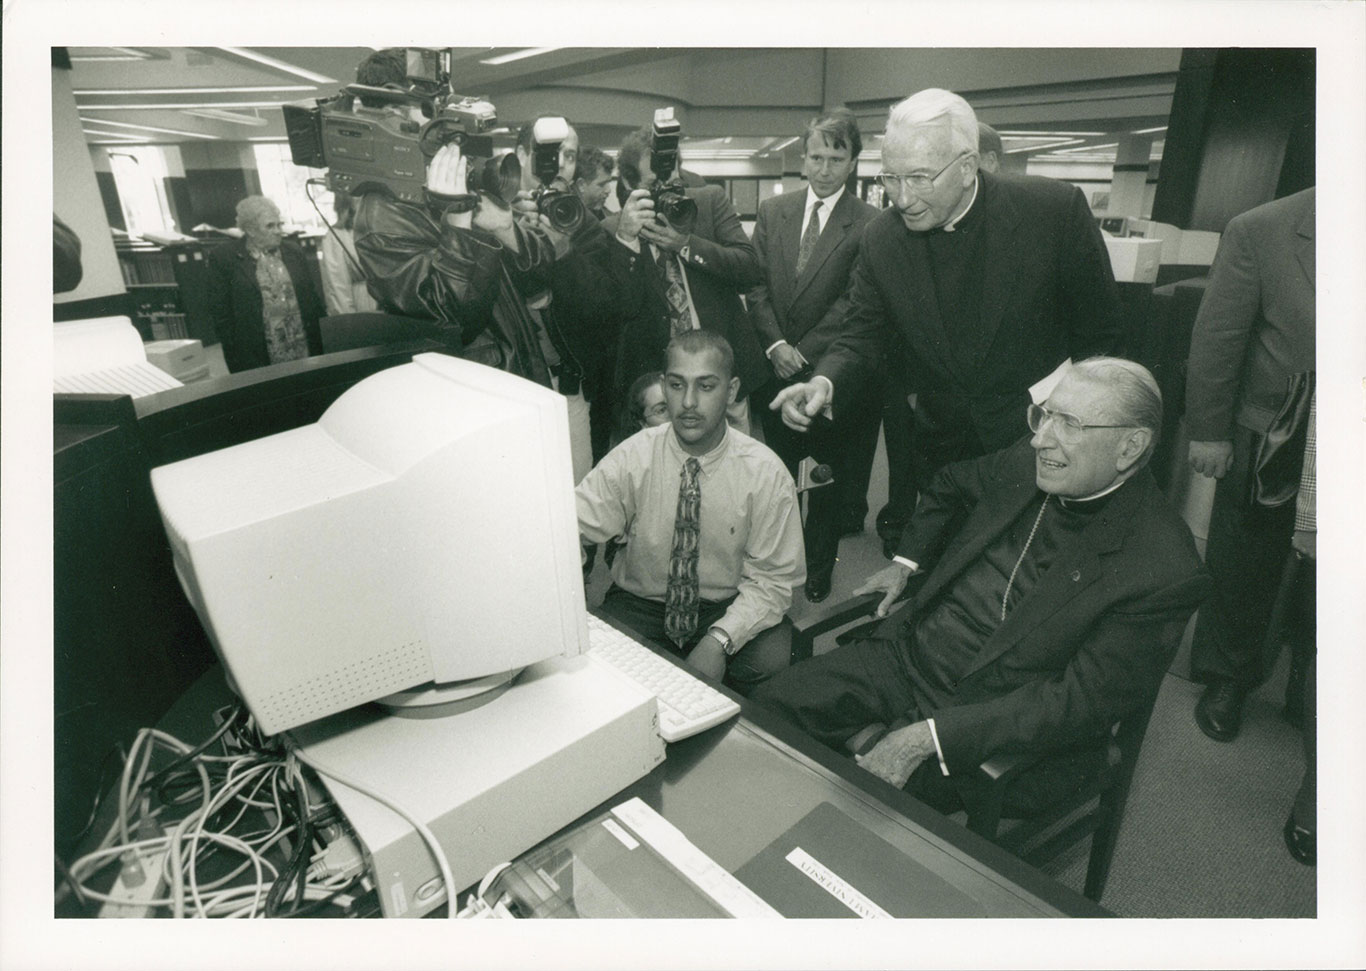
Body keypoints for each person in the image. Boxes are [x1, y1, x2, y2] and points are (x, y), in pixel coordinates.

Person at [754, 359, 1209, 816]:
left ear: (1131, 446)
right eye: (1045, 414)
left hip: (995, 714)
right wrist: (905, 562)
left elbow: (1076, 703)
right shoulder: (1027, 458)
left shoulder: (1162, 567)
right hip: (910, 654)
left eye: (1068, 424)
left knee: (864, 813)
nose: (1040, 438)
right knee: (770, 709)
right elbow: (950, 483)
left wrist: (928, 736)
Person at [772, 88, 1121, 551]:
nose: (901, 197)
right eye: (890, 179)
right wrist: (825, 383)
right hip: (942, 445)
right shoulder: (881, 240)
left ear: (967, 166)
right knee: (947, 566)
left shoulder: (1052, 212)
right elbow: (860, 334)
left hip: (1037, 438)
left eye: (918, 178)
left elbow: (1103, 339)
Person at [576, 331, 805, 695]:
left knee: (769, 662)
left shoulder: (765, 472)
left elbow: (773, 582)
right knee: (600, 673)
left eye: (706, 386)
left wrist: (720, 640)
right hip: (642, 604)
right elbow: (573, 525)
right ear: (664, 386)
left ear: (731, 392)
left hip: (724, 604)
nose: (688, 403)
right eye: (677, 385)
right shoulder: (632, 456)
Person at [1185, 187, 1315, 742]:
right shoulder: (1262, 229)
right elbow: (1218, 339)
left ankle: (1308, 688)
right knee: (1247, 561)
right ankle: (1227, 678)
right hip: (1274, 434)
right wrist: (1211, 432)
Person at [348, 49, 557, 384]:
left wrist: (507, 229)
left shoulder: (458, 173)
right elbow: (457, 322)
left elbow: (542, 278)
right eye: (433, 110)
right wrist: (457, 221)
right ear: (389, 113)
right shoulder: (380, 220)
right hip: (475, 388)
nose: (448, 122)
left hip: (519, 368)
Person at [747, 109, 879, 603]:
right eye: (816, 156)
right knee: (777, 480)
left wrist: (802, 352)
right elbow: (755, 286)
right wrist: (776, 345)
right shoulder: (773, 211)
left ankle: (819, 569)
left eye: (836, 157)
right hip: (774, 369)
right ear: (802, 159)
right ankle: (778, 565)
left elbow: (855, 302)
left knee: (823, 481)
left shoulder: (870, 224)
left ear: (852, 163)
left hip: (829, 373)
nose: (824, 168)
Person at [603, 125, 766, 436]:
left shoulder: (709, 201)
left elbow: (749, 269)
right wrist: (627, 240)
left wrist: (686, 244)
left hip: (723, 373)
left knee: (733, 472)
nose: (668, 192)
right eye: (654, 184)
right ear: (628, 182)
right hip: (659, 385)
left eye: (673, 182)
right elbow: (620, 308)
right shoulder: (612, 230)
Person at [513, 117, 624, 477]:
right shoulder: (494, 211)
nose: (560, 166)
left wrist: (565, 254)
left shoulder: (584, 223)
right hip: (509, 385)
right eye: (549, 154)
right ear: (520, 156)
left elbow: (605, 308)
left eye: (571, 156)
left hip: (567, 386)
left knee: (575, 499)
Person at [206, 195, 325, 373]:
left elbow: (312, 299)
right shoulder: (224, 258)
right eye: (270, 226)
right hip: (256, 353)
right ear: (251, 230)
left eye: (279, 224)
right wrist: (233, 351)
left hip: (302, 344)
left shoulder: (294, 251)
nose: (278, 231)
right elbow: (220, 311)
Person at [319, 191, 380, 317]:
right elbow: (338, 289)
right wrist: (349, 322)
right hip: (362, 305)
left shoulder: (371, 228)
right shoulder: (335, 237)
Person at [573, 145, 615, 223]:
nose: (608, 190)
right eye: (602, 184)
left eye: (608, 182)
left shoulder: (609, 220)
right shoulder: (565, 221)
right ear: (581, 185)